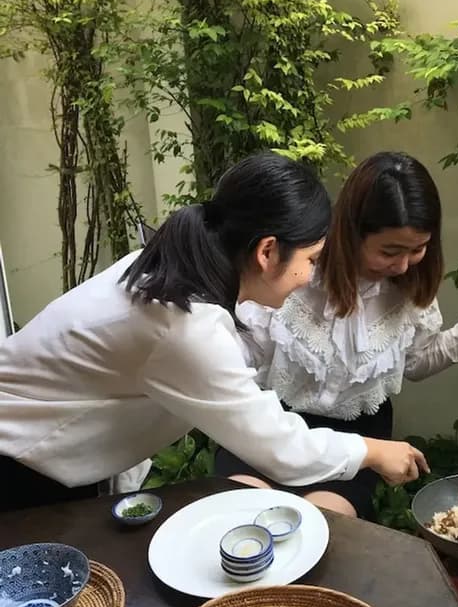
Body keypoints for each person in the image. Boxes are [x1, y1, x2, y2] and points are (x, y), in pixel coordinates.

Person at [0, 152, 427, 511]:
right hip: (19, 466)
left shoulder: (168, 270)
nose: (308, 275)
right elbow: (277, 446)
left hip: (44, 455)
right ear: (266, 251)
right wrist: (373, 451)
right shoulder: (182, 327)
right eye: (312, 260)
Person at [215, 151, 458, 518]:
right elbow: (244, 356)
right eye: (389, 251)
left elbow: (414, 362)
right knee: (239, 514)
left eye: (418, 249)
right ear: (352, 233)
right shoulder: (298, 272)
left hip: (359, 434)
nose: (402, 264)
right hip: (275, 421)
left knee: (320, 527)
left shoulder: (410, 289)